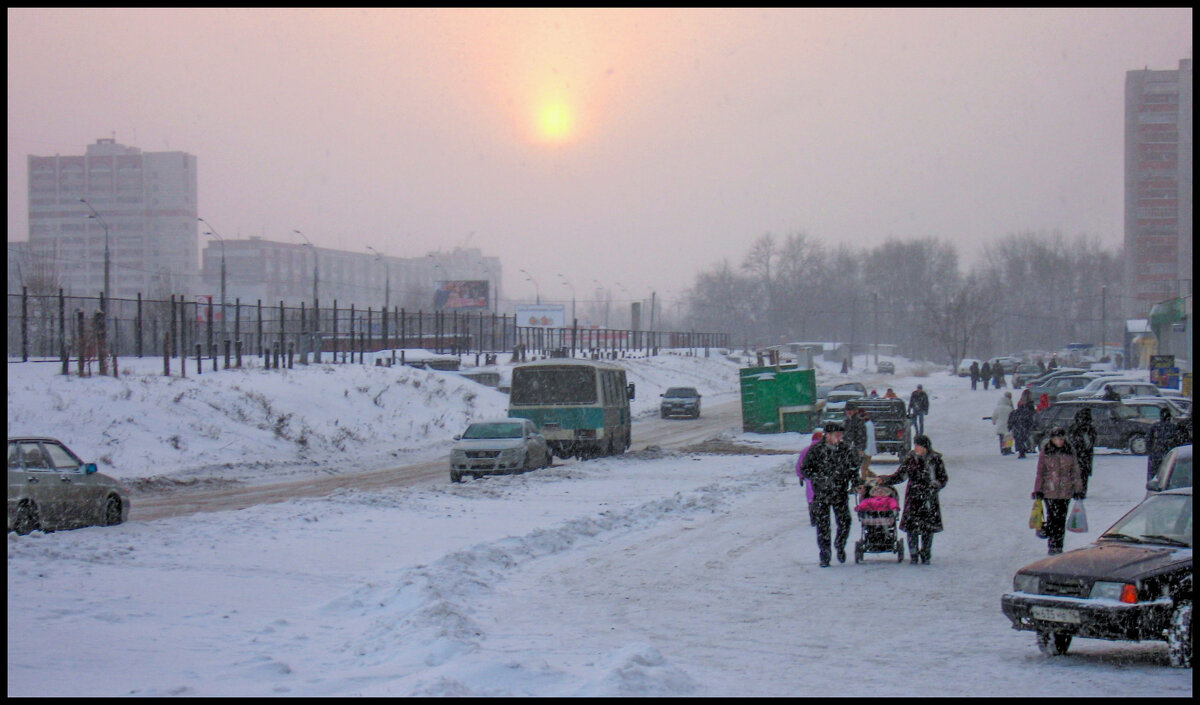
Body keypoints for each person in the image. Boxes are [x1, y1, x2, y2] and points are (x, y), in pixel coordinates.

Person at [875, 434, 947, 564]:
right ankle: (913, 553)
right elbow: (900, 476)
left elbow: (942, 478)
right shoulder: (911, 460)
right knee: (912, 528)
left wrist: (935, 485)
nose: (916, 448)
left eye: (918, 445)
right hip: (913, 497)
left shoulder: (935, 460)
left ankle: (926, 553)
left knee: (927, 528)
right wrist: (885, 479)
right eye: (915, 445)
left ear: (925, 447)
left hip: (929, 497)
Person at [799, 421, 862, 567]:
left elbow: (853, 469)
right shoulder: (816, 450)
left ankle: (840, 545)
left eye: (841, 435)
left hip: (840, 492)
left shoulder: (845, 450)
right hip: (822, 494)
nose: (839, 438)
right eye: (836, 435)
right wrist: (819, 478)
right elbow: (805, 469)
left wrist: (856, 483)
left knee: (845, 521)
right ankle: (825, 555)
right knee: (823, 526)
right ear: (827, 435)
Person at [1033, 427, 1084, 555]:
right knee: (1052, 518)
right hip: (1049, 491)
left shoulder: (1069, 451)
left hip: (1065, 492)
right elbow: (1040, 472)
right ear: (1052, 439)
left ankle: (1058, 546)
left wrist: (1078, 489)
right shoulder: (1046, 451)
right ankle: (1052, 544)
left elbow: (1075, 472)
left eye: (1061, 438)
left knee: (1061, 520)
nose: (1059, 441)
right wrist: (1038, 490)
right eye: (1056, 438)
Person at [795, 430, 824, 526]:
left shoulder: (805, 450)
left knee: (811, 497)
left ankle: (813, 517)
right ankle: (822, 516)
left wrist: (800, 476)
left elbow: (799, 464)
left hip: (809, 477)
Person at [1067, 408, 1097, 496]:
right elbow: (1090, 442)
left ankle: (1077, 490)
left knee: (1077, 473)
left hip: (1079, 455)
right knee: (1082, 474)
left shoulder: (1076, 428)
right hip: (1083, 455)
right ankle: (1081, 491)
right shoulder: (1088, 429)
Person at [1146, 408, 1181, 480]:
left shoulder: (1155, 427)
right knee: (1168, 473)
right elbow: (1178, 441)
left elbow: (1148, 440)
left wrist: (1150, 450)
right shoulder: (1174, 427)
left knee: (1154, 474)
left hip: (1156, 454)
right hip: (1170, 453)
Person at [993, 391, 1013, 455]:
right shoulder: (1009, 408)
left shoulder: (998, 408)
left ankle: (1003, 449)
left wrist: (994, 422)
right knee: (1008, 437)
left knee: (1001, 438)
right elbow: (1013, 417)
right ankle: (1008, 449)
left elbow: (994, 416)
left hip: (1000, 425)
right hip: (1008, 425)